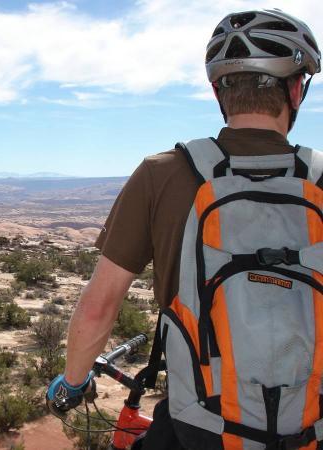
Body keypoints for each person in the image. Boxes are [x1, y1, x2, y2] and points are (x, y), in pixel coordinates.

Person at [47, 8, 321, 449]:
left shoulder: (165, 174)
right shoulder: (321, 180)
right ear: (295, 90)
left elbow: (100, 305)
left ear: (218, 92)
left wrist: (72, 383)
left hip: (199, 428)